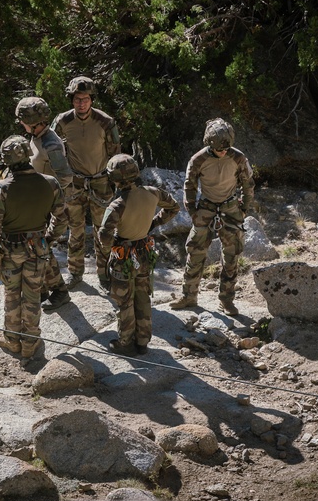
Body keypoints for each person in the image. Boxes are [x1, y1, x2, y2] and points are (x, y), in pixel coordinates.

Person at [0, 135, 67, 359]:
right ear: (28, 154)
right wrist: (48, 239)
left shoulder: (2, 188)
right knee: (32, 295)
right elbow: (61, 218)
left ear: (7, 159)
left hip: (10, 250)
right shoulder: (50, 182)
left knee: (12, 294)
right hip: (38, 248)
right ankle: (30, 343)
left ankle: (12, 340)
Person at [170, 118, 255, 316]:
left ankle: (226, 300)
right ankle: (189, 296)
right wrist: (192, 210)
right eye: (219, 149)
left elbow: (248, 184)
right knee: (196, 251)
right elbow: (189, 186)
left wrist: (244, 209)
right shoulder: (198, 159)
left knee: (232, 254)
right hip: (206, 207)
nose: (223, 152)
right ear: (209, 144)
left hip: (231, 207)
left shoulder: (238, 157)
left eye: (226, 149)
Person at [98, 154, 179, 355]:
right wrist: (155, 223)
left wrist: (109, 252)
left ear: (113, 179)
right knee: (142, 295)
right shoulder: (153, 193)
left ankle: (126, 342)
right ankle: (142, 341)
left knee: (124, 301)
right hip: (144, 252)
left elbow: (104, 235)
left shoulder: (117, 205)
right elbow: (174, 207)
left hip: (123, 257)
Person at [51, 76, 121, 290]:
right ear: (71, 100)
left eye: (85, 99)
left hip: (100, 182)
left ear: (92, 99)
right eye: (77, 99)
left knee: (103, 230)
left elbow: (115, 153)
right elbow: (51, 149)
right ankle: (74, 272)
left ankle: (105, 273)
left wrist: (114, 181)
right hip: (74, 183)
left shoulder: (105, 122)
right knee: (75, 230)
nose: (81, 103)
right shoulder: (62, 121)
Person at [16, 95, 74, 312]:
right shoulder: (38, 137)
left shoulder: (50, 144)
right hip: (37, 203)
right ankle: (42, 290)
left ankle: (59, 291)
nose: (21, 124)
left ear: (33, 122)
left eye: (23, 120)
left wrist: (44, 195)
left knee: (42, 248)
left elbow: (65, 178)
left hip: (46, 205)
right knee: (37, 248)